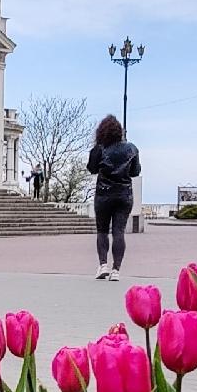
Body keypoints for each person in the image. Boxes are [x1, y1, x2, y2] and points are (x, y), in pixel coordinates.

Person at [85, 115, 141, 279]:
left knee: (102, 231)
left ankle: (103, 265)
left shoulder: (100, 148)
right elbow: (135, 172)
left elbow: (92, 169)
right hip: (124, 195)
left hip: (104, 194)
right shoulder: (131, 149)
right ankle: (116, 270)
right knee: (119, 232)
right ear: (120, 132)